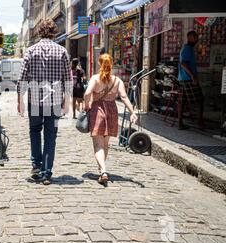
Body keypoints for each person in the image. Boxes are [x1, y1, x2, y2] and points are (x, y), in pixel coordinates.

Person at [18, 19, 72, 186]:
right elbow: (68, 79)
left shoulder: (30, 51)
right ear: (54, 32)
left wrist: (19, 100)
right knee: (50, 135)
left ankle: (36, 165)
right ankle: (46, 173)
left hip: (34, 100)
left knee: (34, 131)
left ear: (40, 32)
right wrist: (67, 102)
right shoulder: (62, 51)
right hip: (55, 101)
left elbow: (22, 79)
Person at [84, 54, 138, 186]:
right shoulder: (117, 80)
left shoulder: (95, 79)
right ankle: (102, 169)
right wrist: (133, 112)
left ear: (99, 63)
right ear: (111, 64)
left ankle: (103, 171)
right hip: (112, 111)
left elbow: (87, 93)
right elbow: (124, 97)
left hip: (98, 111)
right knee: (105, 144)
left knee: (98, 145)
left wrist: (87, 105)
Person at [178, 31, 204, 130]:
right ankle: (200, 122)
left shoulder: (188, 49)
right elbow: (183, 63)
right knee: (200, 99)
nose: (197, 40)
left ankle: (180, 123)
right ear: (190, 38)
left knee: (182, 102)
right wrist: (192, 76)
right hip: (188, 79)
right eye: (195, 37)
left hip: (183, 79)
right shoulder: (187, 49)